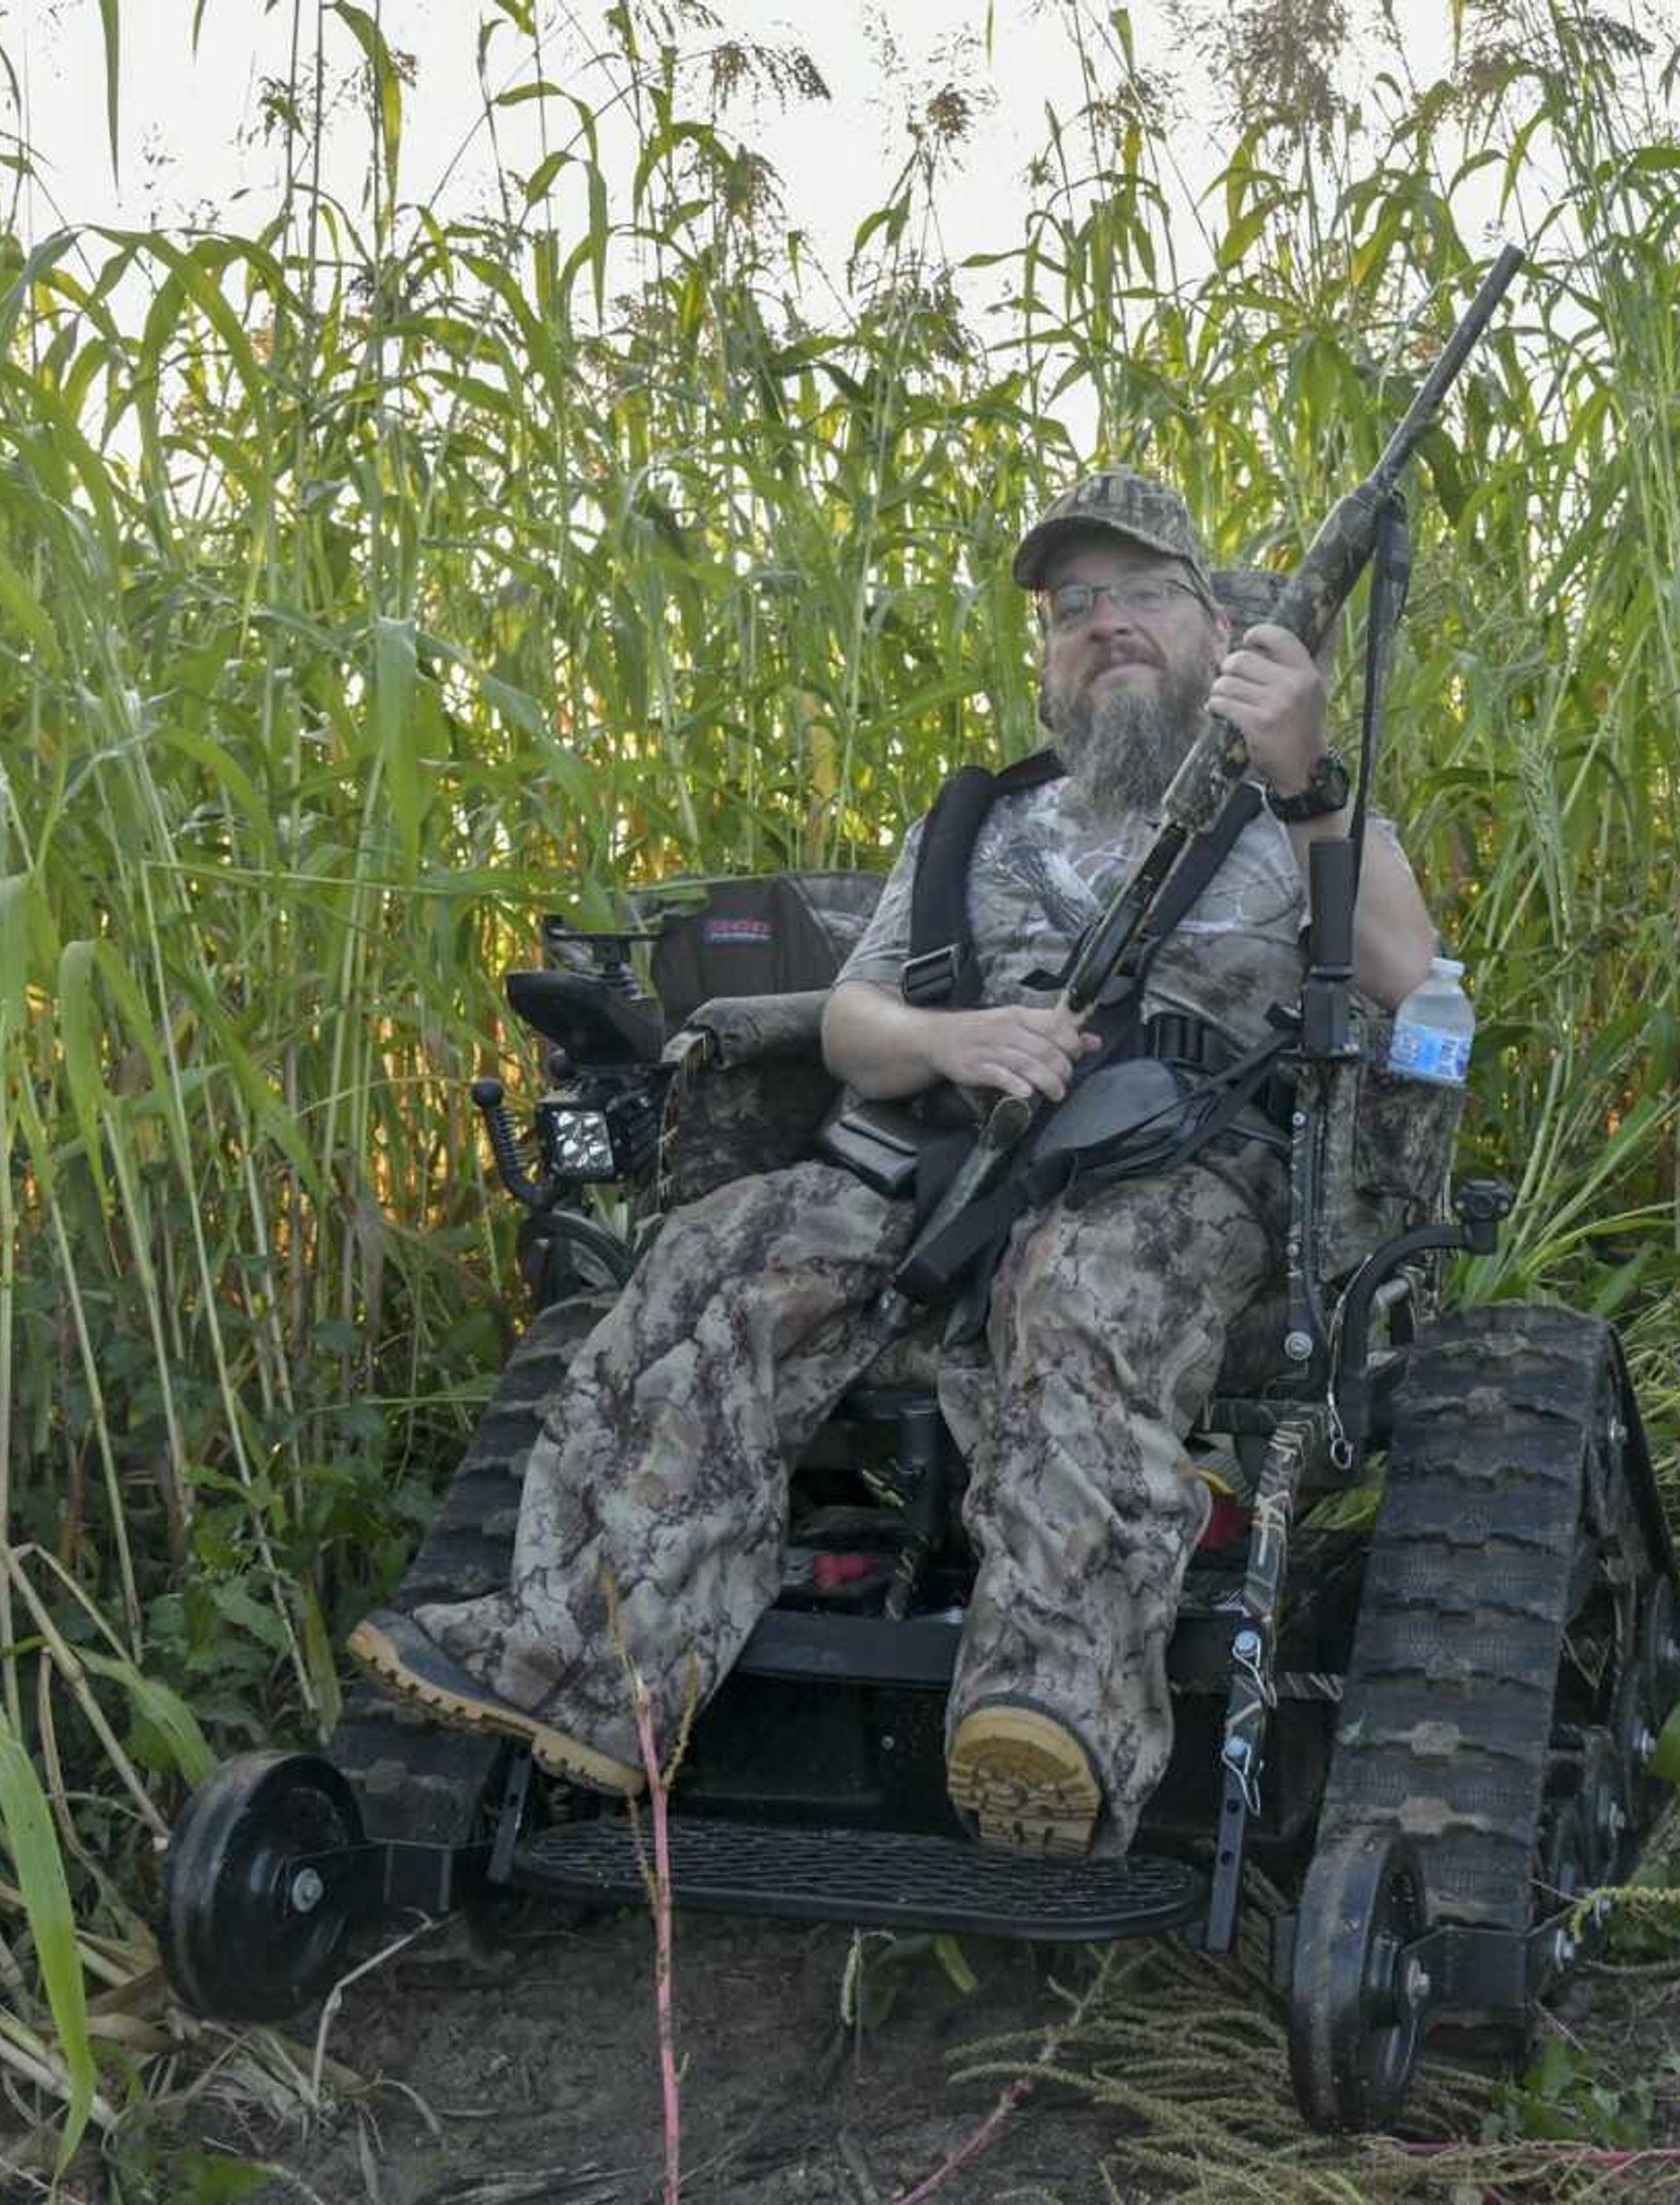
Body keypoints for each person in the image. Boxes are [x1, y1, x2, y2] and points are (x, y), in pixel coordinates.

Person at [350, 469, 1437, 1855]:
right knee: (717, 1257)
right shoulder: (977, 823)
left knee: (1084, 1276)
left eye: (1145, 593)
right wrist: (956, 1035)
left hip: (1181, 1180)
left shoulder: (1298, 815)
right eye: (1074, 604)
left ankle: (1053, 1715)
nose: (1107, 624)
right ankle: (584, 1665)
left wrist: (1308, 778)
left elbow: (1410, 975)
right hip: (943, 1172)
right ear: (1048, 653)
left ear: (1220, 625)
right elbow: (858, 1026)